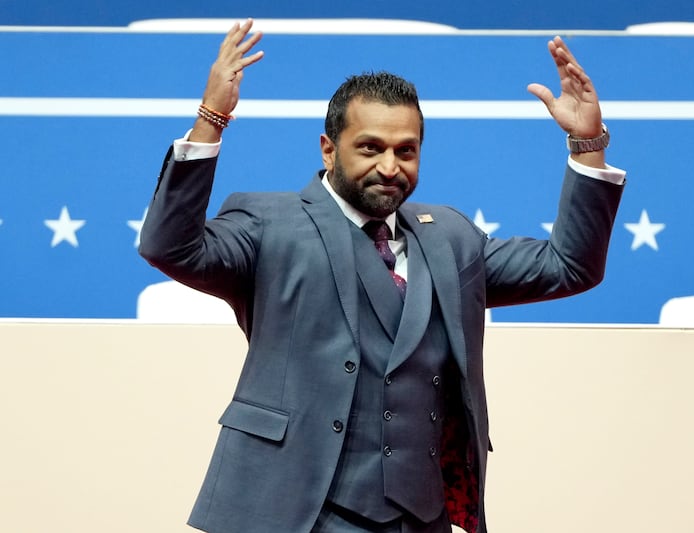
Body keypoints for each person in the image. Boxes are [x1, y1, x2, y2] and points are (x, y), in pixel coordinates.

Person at [139, 18, 624, 533]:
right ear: (329, 149)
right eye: (370, 147)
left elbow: (569, 266)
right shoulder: (268, 223)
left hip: (419, 515)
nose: (390, 167)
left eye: (405, 150)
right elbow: (170, 246)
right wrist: (211, 121)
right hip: (293, 511)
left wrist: (588, 144)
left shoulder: (452, 237)